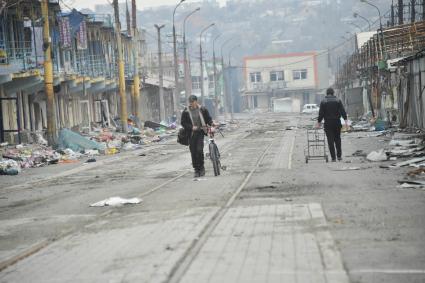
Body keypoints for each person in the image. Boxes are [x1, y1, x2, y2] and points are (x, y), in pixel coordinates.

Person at [181, 95, 213, 177]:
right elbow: (183, 123)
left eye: (192, 102)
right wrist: (191, 127)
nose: (191, 104)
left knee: (199, 150)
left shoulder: (202, 109)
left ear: (196, 101)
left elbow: (208, 118)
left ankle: (201, 168)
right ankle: (196, 169)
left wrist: (211, 123)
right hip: (191, 134)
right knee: (193, 151)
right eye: (190, 102)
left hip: (200, 132)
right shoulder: (186, 111)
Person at [316, 88, 348, 162]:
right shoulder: (338, 100)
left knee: (330, 141)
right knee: (338, 140)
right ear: (333, 93)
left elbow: (321, 113)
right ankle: (339, 156)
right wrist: (345, 120)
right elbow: (342, 111)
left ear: (327, 93)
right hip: (337, 123)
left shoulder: (323, 101)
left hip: (328, 123)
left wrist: (319, 122)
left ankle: (333, 158)